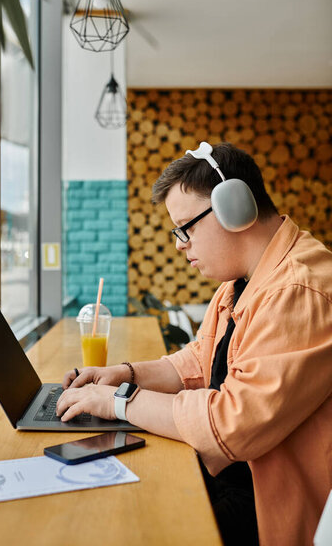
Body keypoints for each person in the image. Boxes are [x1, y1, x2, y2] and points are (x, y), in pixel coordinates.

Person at [56, 142, 332, 546]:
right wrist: (125, 374)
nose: (180, 244)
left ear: (235, 207)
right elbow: (199, 361)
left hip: (267, 506)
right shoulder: (240, 281)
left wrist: (118, 401)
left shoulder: (297, 289)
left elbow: (231, 424)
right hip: (236, 477)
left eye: (186, 227)